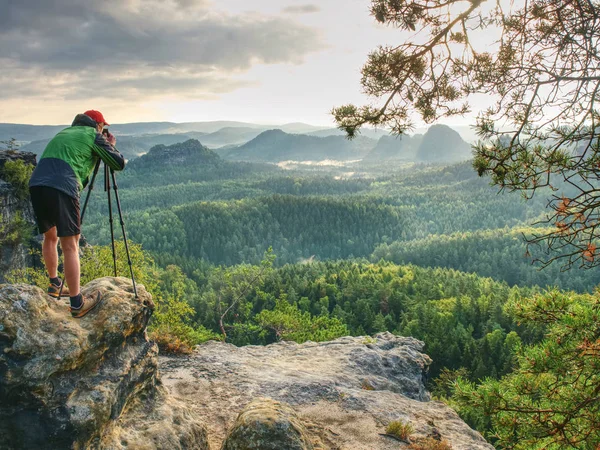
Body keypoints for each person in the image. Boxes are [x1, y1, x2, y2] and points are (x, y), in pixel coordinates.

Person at [29, 110, 125, 318]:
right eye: (102, 126)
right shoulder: (93, 136)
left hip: (37, 184)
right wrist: (111, 144)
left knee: (50, 235)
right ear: (98, 125)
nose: (102, 129)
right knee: (71, 244)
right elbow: (118, 163)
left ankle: (55, 284)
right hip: (63, 186)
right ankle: (77, 303)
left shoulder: (65, 132)